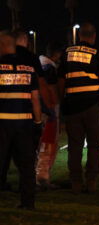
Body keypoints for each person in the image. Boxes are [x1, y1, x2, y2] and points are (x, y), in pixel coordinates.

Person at [58, 22, 99, 194]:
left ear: (79, 35)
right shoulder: (97, 53)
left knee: (75, 145)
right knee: (94, 144)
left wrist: (60, 102)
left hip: (72, 106)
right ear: (93, 36)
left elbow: (61, 81)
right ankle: (91, 180)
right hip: (93, 105)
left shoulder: (67, 53)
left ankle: (76, 183)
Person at [0, 30, 42, 209]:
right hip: (24, 125)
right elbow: (35, 99)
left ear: (3, 45)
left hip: (2, 124)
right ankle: (28, 202)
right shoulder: (29, 68)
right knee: (26, 166)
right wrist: (38, 123)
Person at [36, 42, 64, 190]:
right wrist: (53, 109)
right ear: (56, 54)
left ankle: (37, 175)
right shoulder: (49, 68)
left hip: (38, 110)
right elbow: (50, 89)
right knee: (48, 144)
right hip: (49, 110)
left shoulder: (38, 64)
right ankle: (42, 178)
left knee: (40, 143)